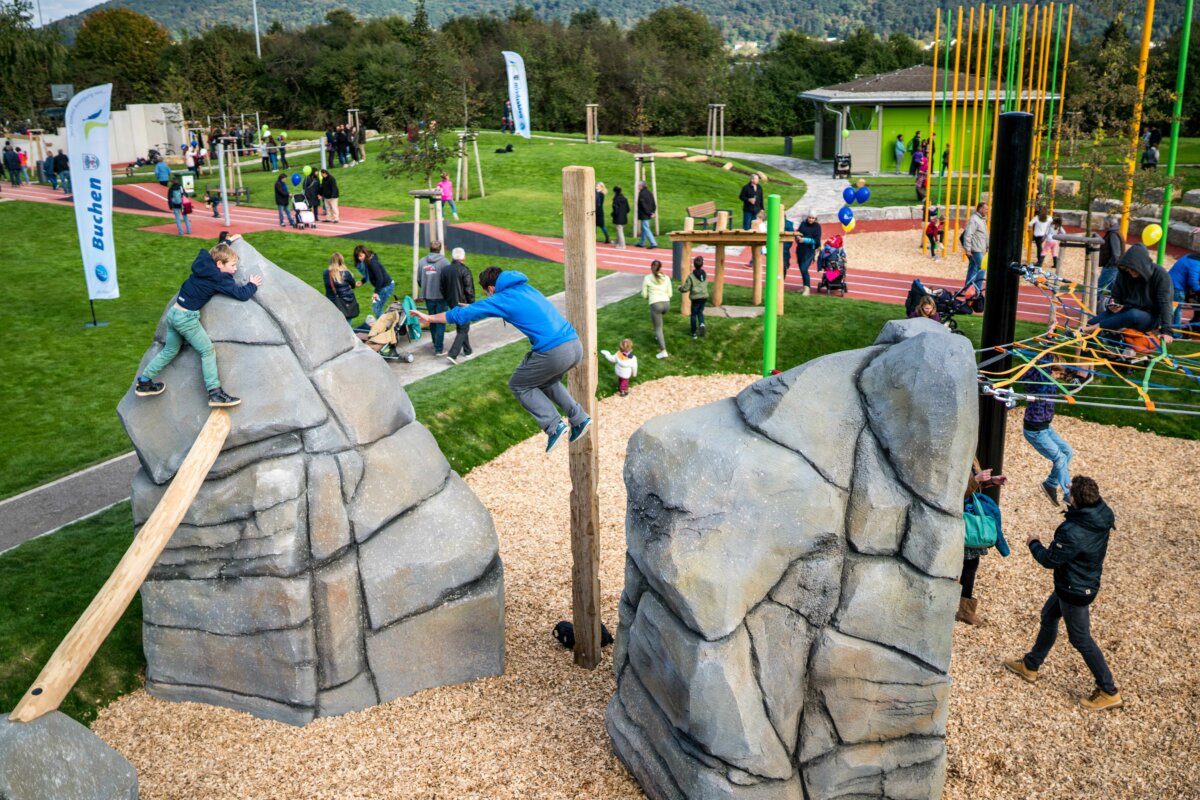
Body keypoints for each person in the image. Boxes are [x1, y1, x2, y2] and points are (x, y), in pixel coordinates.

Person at [413, 267, 592, 453]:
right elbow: (499, 308)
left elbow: (462, 315)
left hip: (553, 352)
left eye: (487, 294)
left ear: (491, 288)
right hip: (574, 345)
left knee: (519, 385)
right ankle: (579, 418)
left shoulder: (502, 298)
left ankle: (554, 425)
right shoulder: (525, 289)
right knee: (546, 382)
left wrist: (430, 318)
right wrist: (477, 307)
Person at [1004, 475, 1122, 711]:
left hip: (1074, 590)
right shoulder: (1102, 512)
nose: (1066, 495)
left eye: (1070, 495)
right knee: (1048, 617)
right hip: (1079, 581)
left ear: (1077, 501)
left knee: (1081, 639)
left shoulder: (1073, 530)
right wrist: (1075, 490)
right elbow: (1085, 497)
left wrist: (1033, 543)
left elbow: (1049, 560)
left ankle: (1109, 691)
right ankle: (1031, 665)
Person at [133, 237, 261, 408]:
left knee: (170, 350)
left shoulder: (204, 262)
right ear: (219, 265)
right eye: (232, 266)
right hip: (187, 319)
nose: (235, 269)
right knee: (207, 351)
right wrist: (252, 285)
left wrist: (228, 242)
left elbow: (215, 250)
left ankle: (144, 382)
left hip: (174, 313)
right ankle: (214, 393)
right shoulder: (219, 278)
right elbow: (242, 294)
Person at [1081, 243, 1175, 342]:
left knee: (1132, 315)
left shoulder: (1161, 275)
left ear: (1142, 266)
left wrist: (1167, 331)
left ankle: (1092, 329)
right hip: (1125, 311)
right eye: (1128, 269)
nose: (1130, 272)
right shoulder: (1123, 275)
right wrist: (1113, 304)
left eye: (1134, 269)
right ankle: (1088, 353)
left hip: (1150, 317)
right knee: (1092, 322)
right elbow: (1116, 296)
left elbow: (1165, 304)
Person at [957, 463, 1009, 625]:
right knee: (967, 565)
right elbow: (953, 494)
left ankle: (965, 611)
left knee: (970, 564)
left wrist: (991, 481)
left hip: (968, 517)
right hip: (958, 519)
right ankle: (963, 611)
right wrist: (976, 480)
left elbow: (974, 484)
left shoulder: (971, 456)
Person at [1023, 356, 1074, 506]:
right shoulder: (1040, 381)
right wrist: (1048, 338)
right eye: (1057, 374)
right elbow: (1044, 363)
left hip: (1046, 428)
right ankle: (1067, 493)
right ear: (1048, 370)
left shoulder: (1051, 383)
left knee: (1068, 451)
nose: (1059, 377)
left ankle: (1050, 484)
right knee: (1060, 458)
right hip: (1035, 431)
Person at [441, 247, 475, 364]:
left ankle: (468, 350)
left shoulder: (445, 270)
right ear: (463, 258)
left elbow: (442, 288)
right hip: (463, 303)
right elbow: (469, 290)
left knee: (461, 326)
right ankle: (453, 354)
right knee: (463, 328)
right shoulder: (465, 271)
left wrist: (448, 299)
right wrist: (471, 304)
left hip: (452, 303)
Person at [418, 241, 451, 355]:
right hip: (441, 297)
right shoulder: (445, 262)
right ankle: (439, 349)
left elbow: (419, 279)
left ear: (430, 248)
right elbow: (448, 280)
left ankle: (435, 342)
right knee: (441, 321)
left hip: (428, 296)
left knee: (431, 319)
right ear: (440, 249)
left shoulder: (422, 261)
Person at [642, 259, 673, 359]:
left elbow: (644, 295)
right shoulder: (667, 278)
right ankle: (658, 337)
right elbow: (670, 294)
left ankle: (663, 351)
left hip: (656, 305)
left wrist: (649, 297)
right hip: (667, 305)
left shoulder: (647, 278)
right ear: (660, 268)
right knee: (659, 322)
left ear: (651, 268)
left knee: (658, 328)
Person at [354, 245, 395, 318]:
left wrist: (376, 292)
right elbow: (370, 275)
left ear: (365, 253)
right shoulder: (368, 261)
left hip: (386, 287)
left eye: (361, 256)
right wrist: (362, 281)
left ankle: (385, 325)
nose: (360, 258)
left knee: (377, 308)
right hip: (384, 286)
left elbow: (380, 278)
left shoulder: (372, 263)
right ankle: (385, 323)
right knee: (377, 308)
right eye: (358, 257)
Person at [323, 252, 359, 325]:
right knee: (347, 323)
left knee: (334, 323)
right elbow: (353, 285)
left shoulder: (326, 273)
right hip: (345, 302)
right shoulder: (346, 273)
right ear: (341, 261)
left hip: (331, 302)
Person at [680, 255, 710, 339]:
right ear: (702, 265)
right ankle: (701, 323)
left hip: (696, 298)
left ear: (694, 265)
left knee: (693, 314)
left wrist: (680, 288)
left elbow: (686, 288)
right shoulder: (705, 274)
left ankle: (693, 333)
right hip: (704, 296)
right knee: (700, 312)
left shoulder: (691, 276)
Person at [962, 202, 989, 292]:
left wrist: (987, 246)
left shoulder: (982, 220)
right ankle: (977, 289)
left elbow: (984, 235)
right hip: (975, 249)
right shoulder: (974, 219)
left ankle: (968, 287)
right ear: (980, 209)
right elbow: (968, 234)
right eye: (985, 209)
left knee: (973, 267)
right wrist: (968, 249)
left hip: (980, 248)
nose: (987, 211)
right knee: (982, 267)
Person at [1168, 252, 1200, 328]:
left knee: (1171, 309)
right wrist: (1199, 290)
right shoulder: (1197, 263)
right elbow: (1192, 281)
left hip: (1171, 283)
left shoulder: (1190, 257)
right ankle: (1176, 333)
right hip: (1177, 287)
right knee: (1176, 311)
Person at [1096, 214, 1125, 296]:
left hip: (1112, 266)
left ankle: (1094, 306)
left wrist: (1109, 264)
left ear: (1109, 223)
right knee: (1112, 288)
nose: (1104, 225)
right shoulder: (1115, 232)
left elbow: (1116, 253)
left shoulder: (1113, 234)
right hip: (1115, 266)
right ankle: (1109, 305)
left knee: (1099, 286)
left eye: (1105, 223)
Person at [795, 210, 821, 296]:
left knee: (804, 269)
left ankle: (807, 288)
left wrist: (805, 240)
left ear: (815, 219)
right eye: (810, 217)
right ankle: (804, 286)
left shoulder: (817, 227)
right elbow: (798, 232)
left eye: (813, 218)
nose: (811, 219)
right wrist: (797, 236)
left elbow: (817, 241)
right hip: (800, 249)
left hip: (809, 251)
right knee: (801, 269)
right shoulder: (803, 224)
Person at [636, 181, 657, 248]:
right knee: (645, 228)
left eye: (639, 186)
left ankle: (653, 243)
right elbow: (654, 203)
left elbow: (643, 205)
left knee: (646, 228)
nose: (638, 187)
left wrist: (649, 212)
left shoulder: (641, 194)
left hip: (644, 214)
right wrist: (653, 212)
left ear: (642, 186)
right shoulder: (649, 193)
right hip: (649, 213)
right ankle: (641, 242)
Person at [611, 185, 630, 249]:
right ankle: (617, 242)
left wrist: (612, 215)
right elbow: (628, 209)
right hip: (624, 217)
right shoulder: (625, 198)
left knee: (620, 231)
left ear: (615, 192)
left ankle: (622, 245)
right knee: (620, 230)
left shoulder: (615, 200)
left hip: (618, 218)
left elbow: (615, 210)